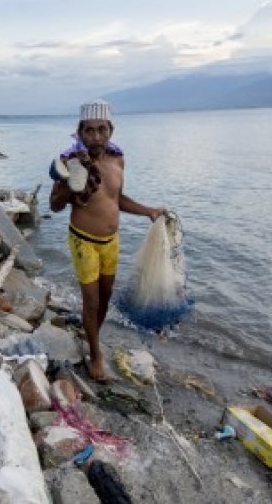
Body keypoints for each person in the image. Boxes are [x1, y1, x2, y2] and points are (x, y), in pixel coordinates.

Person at [50, 99, 166, 382]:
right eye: (89, 131)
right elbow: (54, 205)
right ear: (79, 132)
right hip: (83, 241)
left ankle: (92, 335)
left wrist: (148, 211)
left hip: (111, 241)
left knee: (105, 298)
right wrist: (69, 185)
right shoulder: (70, 162)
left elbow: (117, 200)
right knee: (90, 302)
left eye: (102, 129)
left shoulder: (118, 160)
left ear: (111, 130)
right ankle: (96, 356)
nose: (96, 137)